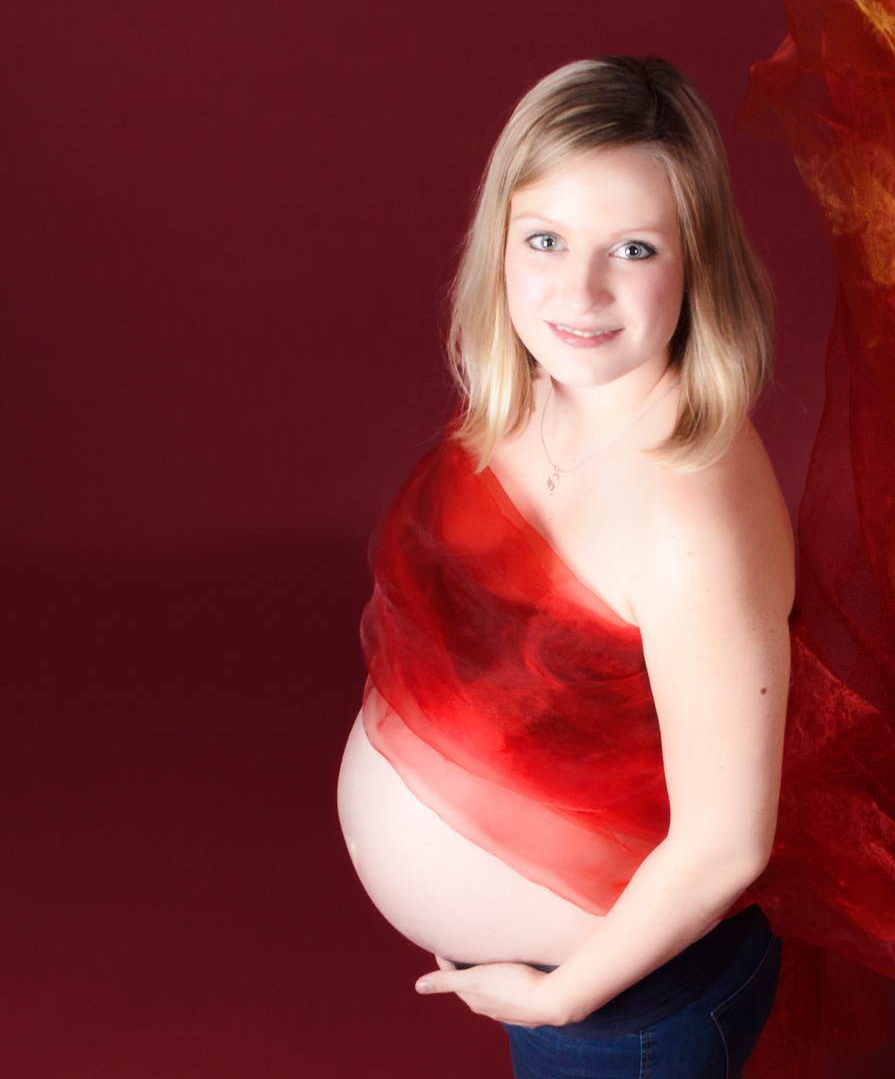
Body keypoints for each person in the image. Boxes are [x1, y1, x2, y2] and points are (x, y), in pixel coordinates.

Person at [336, 56, 794, 1078]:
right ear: (499, 240)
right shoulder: (535, 396)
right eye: (546, 239)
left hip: (622, 1014)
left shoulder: (689, 517)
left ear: (697, 263)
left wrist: (557, 998)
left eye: (633, 249)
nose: (580, 292)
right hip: (562, 988)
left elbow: (726, 842)